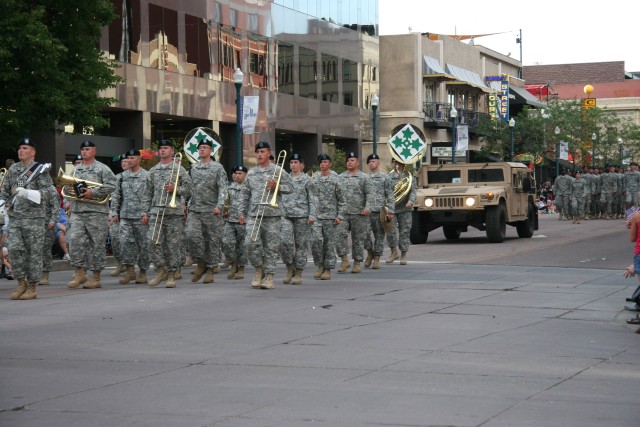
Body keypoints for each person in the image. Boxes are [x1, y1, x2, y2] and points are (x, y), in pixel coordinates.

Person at [0, 138, 56, 300]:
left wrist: (29, 193)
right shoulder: (13, 170)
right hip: (15, 218)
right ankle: (21, 283)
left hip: (35, 219)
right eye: (19, 148)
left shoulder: (40, 170)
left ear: (33, 152)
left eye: (25, 148)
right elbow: (5, 192)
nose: (21, 151)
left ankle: (32, 286)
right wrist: (2, 207)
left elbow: (48, 193)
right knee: (15, 251)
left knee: (34, 254)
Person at [65, 140, 117, 289]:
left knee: (97, 245)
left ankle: (95, 277)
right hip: (77, 211)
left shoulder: (102, 168)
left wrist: (92, 192)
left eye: (87, 149)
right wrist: (69, 193)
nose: (84, 152)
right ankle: (80, 273)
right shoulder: (75, 170)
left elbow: (112, 185)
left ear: (94, 151)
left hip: (96, 212)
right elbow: (68, 187)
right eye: (82, 150)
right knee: (74, 241)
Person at [141, 140, 192, 288]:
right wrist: (145, 212)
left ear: (172, 151)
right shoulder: (153, 171)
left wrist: (175, 188)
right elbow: (147, 194)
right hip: (156, 211)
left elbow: (190, 190)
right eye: (161, 148)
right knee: (152, 241)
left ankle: (171, 275)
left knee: (172, 245)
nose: (163, 151)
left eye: (166, 148)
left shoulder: (179, 170)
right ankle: (160, 269)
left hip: (174, 212)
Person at [244, 142, 292, 289]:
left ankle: (269, 276)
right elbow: (245, 194)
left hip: (272, 215)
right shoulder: (251, 173)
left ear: (269, 153)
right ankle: (259, 269)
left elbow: (291, 187)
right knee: (250, 244)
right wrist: (241, 213)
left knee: (271, 247)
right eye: (257, 152)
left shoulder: (278, 170)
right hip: (255, 213)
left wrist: (276, 187)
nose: (259, 154)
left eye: (262, 151)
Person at [186, 139, 228, 284]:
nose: (202, 150)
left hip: (212, 210)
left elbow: (223, 188)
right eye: (200, 148)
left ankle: (210, 269)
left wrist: (220, 206)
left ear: (211, 151)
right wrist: (185, 203)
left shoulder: (217, 168)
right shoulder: (193, 167)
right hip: (195, 209)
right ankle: (201, 263)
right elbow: (188, 188)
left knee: (212, 242)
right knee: (191, 236)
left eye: (205, 147)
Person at [110, 149, 150, 284]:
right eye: (128, 158)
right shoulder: (121, 177)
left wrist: (147, 213)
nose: (130, 160)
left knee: (143, 245)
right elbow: (116, 196)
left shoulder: (147, 176)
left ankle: (143, 272)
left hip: (141, 216)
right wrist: (114, 212)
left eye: (133, 158)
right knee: (125, 244)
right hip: (125, 216)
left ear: (139, 159)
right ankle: (129, 270)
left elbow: (150, 196)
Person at [280, 153, 315, 285]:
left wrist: (312, 215)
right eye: (291, 162)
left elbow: (313, 198)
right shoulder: (284, 179)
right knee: (284, 242)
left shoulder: (307, 180)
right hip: (286, 215)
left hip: (302, 215)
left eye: (296, 162)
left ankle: (299, 272)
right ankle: (290, 268)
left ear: (301, 165)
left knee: (301, 245)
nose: (293, 165)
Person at [336, 152, 372, 274]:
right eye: (348, 160)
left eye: (352, 160)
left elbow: (370, 194)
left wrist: (367, 208)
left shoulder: (364, 177)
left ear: (357, 162)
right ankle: (344, 260)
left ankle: (357, 263)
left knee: (358, 239)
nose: (349, 162)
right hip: (343, 214)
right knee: (339, 236)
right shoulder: (340, 177)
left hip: (359, 213)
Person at [310, 154, 345, 280]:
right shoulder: (314, 179)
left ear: (330, 164)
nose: (322, 164)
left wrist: (340, 215)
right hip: (317, 216)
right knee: (315, 241)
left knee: (329, 244)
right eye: (321, 162)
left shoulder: (336, 180)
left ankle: (328, 268)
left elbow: (342, 200)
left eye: (325, 162)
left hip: (331, 217)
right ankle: (320, 265)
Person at [363, 154, 394, 269]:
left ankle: (376, 258)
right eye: (369, 161)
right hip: (367, 212)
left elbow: (390, 195)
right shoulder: (364, 177)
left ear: (378, 162)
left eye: (373, 161)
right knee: (364, 235)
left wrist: (391, 211)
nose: (371, 163)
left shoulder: (385, 177)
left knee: (379, 236)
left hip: (380, 212)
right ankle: (370, 253)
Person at [387, 158, 417, 265]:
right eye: (394, 162)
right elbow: (386, 192)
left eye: (398, 162)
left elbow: (413, 191)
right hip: (391, 209)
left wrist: (411, 201)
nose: (396, 164)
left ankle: (403, 254)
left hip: (405, 208)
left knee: (405, 231)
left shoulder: (409, 176)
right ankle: (393, 252)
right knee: (390, 231)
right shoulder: (388, 177)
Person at [222, 165, 249, 280]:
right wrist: (225, 209)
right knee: (227, 243)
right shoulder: (230, 187)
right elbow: (226, 202)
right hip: (230, 220)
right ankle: (233, 264)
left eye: (240, 173)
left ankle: (241, 268)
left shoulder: (249, 188)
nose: (237, 175)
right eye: (235, 173)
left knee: (241, 246)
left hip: (243, 221)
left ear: (245, 175)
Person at [109, 153, 129, 277]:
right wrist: (113, 212)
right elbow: (115, 197)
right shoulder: (117, 178)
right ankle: (120, 263)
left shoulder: (143, 176)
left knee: (130, 242)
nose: (124, 163)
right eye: (122, 162)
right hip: (119, 214)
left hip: (133, 215)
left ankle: (130, 265)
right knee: (115, 239)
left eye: (126, 161)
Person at [39, 185, 62, 285]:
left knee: (45, 249)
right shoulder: (31, 187)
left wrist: (53, 221)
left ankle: (45, 274)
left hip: (47, 224)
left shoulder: (50, 189)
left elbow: (56, 207)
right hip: (33, 223)